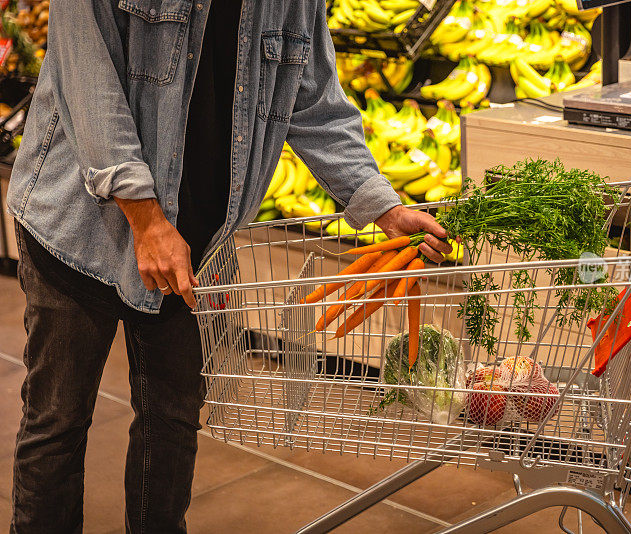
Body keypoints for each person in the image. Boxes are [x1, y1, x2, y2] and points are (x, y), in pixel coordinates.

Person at [5, 1, 451, 532]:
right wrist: (146, 220)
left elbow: (313, 99)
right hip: (79, 224)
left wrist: (382, 206)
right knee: (57, 421)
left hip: (197, 243)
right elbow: (88, 80)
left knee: (170, 425)